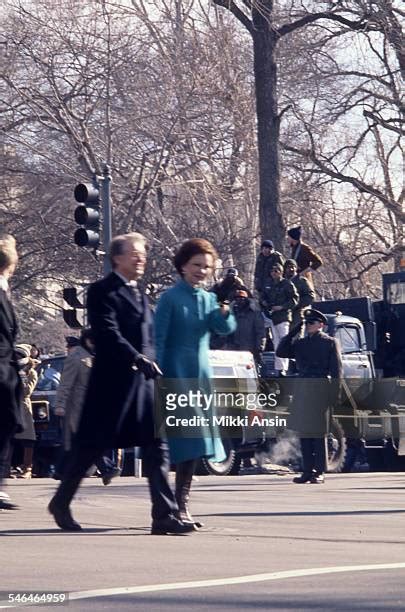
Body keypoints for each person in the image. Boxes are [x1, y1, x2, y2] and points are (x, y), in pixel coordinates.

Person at [48, 232, 194, 535]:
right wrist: (137, 358)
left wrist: (155, 364)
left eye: (143, 254)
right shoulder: (103, 291)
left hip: (142, 387)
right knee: (89, 448)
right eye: (134, 254)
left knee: (157, 447)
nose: (141, 259)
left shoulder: (140, 295)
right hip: (111, 387)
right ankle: (61, 502)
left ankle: (163, 515)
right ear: (117, 258)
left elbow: (150, 338)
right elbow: (108, 332)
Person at [155, 238, 236, 528]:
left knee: (195, 442)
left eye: (207, 266)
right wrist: (159, 376)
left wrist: (224, 302)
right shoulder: (169, 298)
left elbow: (223, 327)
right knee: (181, 442)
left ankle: (181, 505)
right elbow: (159, 339)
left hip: (200, 376)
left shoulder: (208, 298)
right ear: (182, 266)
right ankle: (171, 507)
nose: (202, 271)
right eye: (196, 265)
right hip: (175, 373)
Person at [276, 309, 343, 484]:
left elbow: (337, 371)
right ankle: (307, 470)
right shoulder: (301, 343)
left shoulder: (330, 343)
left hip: (320, 387)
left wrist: (335, 394)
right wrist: (296, 328)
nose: (309, 326)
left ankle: (319, 471)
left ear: (321, 325)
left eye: (311, 323)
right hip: (303, 388)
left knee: (319, 433)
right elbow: (281, 351)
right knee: (304, 432)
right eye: (307, 323)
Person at [54, 330, 121, 485]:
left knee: (75, 441)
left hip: (90, 406)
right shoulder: (77, 356)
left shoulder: (91, 355)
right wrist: (60, 404)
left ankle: (60, 470)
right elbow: (66, 383)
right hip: (77, 406)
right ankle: (107, 468)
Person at [0, 234, 23, 510]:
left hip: (7, 371)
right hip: (2, 372)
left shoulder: (5, 291)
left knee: (6, 425)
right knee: (5, 424)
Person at [262, 263, 298, 376]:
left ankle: (284, 368)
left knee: (284, 342)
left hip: (283, 317)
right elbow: (263, 296)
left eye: (276, 271)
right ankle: (279, 368)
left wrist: (282, 307)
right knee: (276, 342)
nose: (274, 273)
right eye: (272, 271)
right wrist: (264, 302)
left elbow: (294, 299)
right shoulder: (269, 284)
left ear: (281, 272)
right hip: (272, 317)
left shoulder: (287, 284)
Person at [13, 344, 39, 479]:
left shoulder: (31, 372)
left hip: (23, 407)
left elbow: (27, 391)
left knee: (27, 438)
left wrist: (20, 378)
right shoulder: (9, 369)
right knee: (9, 439)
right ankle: (8, 467)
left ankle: (27, 467)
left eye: (19, 355)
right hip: (9, 406)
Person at [224, 289, 266, 365]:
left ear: (246, 299)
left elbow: (261, 332)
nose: (240, 300)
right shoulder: (230, 313)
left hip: (249, 350)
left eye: (242, 298)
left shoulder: (254, 313)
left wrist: (259, 349)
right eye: (237, 298)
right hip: (233, 350)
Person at [284, 259, 315, 330]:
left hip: (297, 314)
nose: (291, 269)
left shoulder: (302, 281)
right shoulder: (282, 282)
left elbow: (310, 296)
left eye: (293, 267)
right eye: (288, 267)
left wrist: (297, 304)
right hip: (284, 315)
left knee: (296, 337)